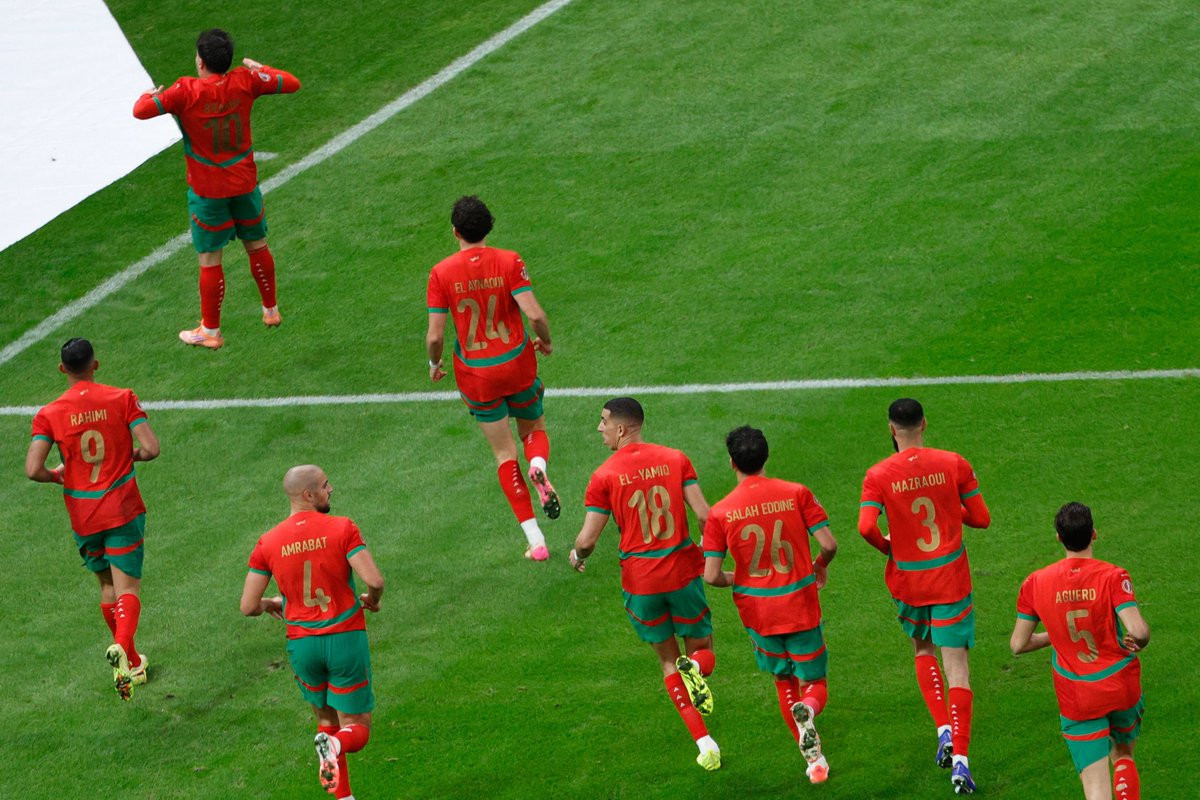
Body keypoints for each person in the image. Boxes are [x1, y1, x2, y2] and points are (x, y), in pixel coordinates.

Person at [568, 397, 720, 771]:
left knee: (668, 661)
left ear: (621, 428)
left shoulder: (604, 475)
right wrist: (706, 549)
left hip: (641, 582)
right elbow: (705, 514)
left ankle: (704, 744)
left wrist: (577, 556)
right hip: (682, 571)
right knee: (702, 651)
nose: (599, 428)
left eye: (603, 421)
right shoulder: (675, 459)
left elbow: (587, 540)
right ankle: (695, 668)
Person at [133, 28, 300, 349]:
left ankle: (210, 331)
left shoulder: (185, 91)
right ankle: (271, 310)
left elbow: (141, 111)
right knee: (257, 245)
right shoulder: (246, 80)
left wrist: (148, 94)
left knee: (210, 259)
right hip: (244, 184)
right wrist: (263, 69)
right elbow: (292, 83)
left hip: (208, 193)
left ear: (200, 61)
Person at [858, 398, 991, 795]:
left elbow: (865, 527)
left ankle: (943, 729)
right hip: (950, 578)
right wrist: (951, 508)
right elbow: (981, 518)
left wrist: (889, 547)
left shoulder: (878, 474)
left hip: (909, 581)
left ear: (891, 429)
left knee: (922, 649)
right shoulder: (953, 463)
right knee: (958, 670)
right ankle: (962, 763)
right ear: (925, 424)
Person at [25, 337, 160, 699]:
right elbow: (151, 448)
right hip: (122, 507)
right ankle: (121, 647)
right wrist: (128, 456)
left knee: (107, 588)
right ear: (95, 365)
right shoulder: (122, 398)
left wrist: (57, 475)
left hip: (83, 514)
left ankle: (132, 662)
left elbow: (33, 469)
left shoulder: (49, 413)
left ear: (62, 369)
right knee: (128, 589)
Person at [702, 426, 838, 784]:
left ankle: (815, 762)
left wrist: (740, 578)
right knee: (815, 682)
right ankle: (809, 709)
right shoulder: (796, 493)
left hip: (758, 611)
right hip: (799, 602)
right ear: (766, 456)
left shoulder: (720, 512)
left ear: (732, 462)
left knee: (783, 680)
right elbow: (829, 544)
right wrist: (819, 566)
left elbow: (711, 575)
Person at [426, 195, 558, 561]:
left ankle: (536, 541)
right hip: (517, 363)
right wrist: (546, 341)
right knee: (533, 430)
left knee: (503, 454)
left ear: (455, 232)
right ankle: (538, 466)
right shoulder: (509, 260)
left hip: (477, 375)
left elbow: (435, 336)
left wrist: (434, 364)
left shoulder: (441, 272)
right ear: (489, 227)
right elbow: (534, 315)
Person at [241, 465, 384, 800]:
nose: (330, 489)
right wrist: (373, 600)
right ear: (308, 494)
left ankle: (343, 796)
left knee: (325, 718)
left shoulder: (268, 542)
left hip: (302, 646)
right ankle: (335, 745)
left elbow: (248, 606)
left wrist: (272, 603)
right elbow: (374, 580)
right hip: (344, 638)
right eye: (324, 485)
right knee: (357, 727)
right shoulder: (342, 528)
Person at [1010, 502, 1149, 800]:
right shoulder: (1113, 576)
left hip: (1077, 694)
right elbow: (1138, 631)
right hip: (1119, 683)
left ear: (1059, 538)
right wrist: (1139, 641)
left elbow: (1018, 644)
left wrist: (1055, 634)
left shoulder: (1035, 582)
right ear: (1094, 533)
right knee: (1123, 754)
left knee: (1096, 788)